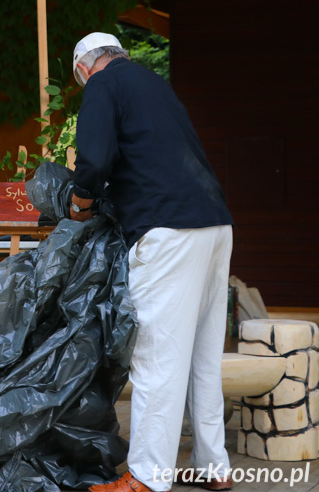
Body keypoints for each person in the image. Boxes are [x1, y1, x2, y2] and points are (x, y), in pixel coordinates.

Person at [69, 33, 235, 492]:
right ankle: (213, 466)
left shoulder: (103, 86)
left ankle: (146, 476)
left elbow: (95, 160)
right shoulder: (154, 84)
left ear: (85, 68)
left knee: (158, 357)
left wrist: (80, 202)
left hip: (168, 230)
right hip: (215, 224)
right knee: (202, 356)